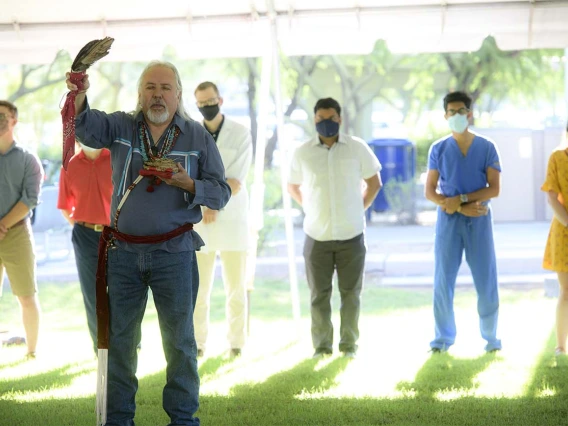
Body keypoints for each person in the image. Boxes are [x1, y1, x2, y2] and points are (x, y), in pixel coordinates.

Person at [66, 61, 231, 426]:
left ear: (178, 94)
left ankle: (184, 420)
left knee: (181, 345)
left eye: (165, 88)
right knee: (121, 346)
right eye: (150, 87)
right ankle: (119, 420)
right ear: (140, 94)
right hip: (123, 254)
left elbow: (221, 194)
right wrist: (78, 93)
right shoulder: (122, 125)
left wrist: (189, 184)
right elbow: (85, 129)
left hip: (175, 254)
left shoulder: (196, 135)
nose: (158, 94)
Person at [287, 97, 382, 359]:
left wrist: (359, 207)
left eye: (330, 119)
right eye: (320, 119)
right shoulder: (302, 152)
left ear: (339, 119)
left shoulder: (356, 148)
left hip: (351, 234)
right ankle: (322, 347)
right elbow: (292, 185)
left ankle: (349, 345)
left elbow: (374, 183)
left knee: (351, 294)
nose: (325, 123)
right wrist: (309, 206)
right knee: (319, 295)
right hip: (316, 235)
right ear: (314, 120)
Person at [425, 90, 502, 353]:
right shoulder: (439, 149)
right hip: (448, 223)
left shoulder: (487, 147)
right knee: (443, 280)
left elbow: (494, 189)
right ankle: (442, 340)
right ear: (445, 115)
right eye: (452, 111)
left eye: (462, 111)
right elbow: (430, 192)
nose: (457, 115)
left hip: (479, 218)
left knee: (486, 279)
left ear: (470, 113)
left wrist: (463, 200)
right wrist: (457, 208)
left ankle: (491, 339)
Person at [192, 81, 253, 358]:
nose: (207, 107)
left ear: (221, 100)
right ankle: (197, 343)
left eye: (210, 101)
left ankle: (236, 343)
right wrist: (205, 204)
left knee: (235, 288)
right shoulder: (191, 134)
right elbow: (188, 176)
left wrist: (213, 204)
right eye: (201, 104)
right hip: (200, 221)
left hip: (232, 220)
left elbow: (236, 180)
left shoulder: (241, 133)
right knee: (198, 290)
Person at [57, 143, 113, 354]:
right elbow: (65, 206)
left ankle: (128, 344)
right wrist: (86, 227)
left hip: (116, 233)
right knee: (93, 293)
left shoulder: (115, 159)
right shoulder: (69, 165)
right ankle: (100, 348)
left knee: (121, 290)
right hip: (85, 235)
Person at [0, 100, 43, 360]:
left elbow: (30, 199)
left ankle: (31, 352)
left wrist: (2, 224)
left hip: (17, 233)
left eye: (2, 116)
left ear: (14, 119)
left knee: (26, 296)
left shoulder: (28, 159)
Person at [541, 122, 568, 357]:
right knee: (566, 290)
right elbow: (551, 196)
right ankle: (561, 346)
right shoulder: (557, 157)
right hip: (564, 230)